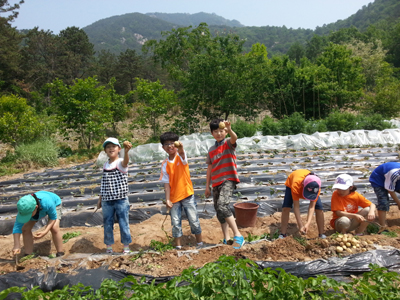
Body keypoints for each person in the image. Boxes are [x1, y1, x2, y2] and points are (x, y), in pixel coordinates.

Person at [159, 132, 203, 249]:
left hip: (187, 193)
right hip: (174, 197)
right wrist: (168, 199)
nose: (170, 146)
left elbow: (183, 154)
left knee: (193, 220)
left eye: (172, 143)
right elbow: (166, 184)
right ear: (163, 148)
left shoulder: (181, 156)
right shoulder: (165, 164)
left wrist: (181, 148)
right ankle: (178, 246)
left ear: (177, 145)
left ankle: (200, 243)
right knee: (175, 222)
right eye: (166, 144)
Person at [205, 119, 244, 249]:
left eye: (221, 131)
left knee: (222, 205)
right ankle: (227, 238)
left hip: (228, 179)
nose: (219, 133)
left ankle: (238, 235)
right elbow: (210, 168)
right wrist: (207, 186)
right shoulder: (211, 150)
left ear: (225, 132)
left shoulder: (228, 143)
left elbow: (235, 138)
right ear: (212, 133)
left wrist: (230, 128)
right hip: (216, 182)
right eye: (216, 131)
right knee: (219, 211)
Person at [97, 137, 132, 254]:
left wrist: (126, 152)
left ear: (119, 149)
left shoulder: (120, 162)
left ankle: (126, 246)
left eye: (113, 146)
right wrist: (100, 199)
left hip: (120, 199)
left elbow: (126, 162)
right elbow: (103, 183)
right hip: (107, 200)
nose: (111, 149)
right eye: (108, 147)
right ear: (105, 150)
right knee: (107, 223)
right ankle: (109, 247)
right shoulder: (105, 165)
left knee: (123, 223)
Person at [12, 191, 64, 257]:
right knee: (25, 229)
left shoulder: (47, 203)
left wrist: (45, 231)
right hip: (36, 210)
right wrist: (16, 245)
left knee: (54, 228)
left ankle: (60, 253)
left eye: (28, 215)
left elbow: (52, 218)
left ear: (36, 208)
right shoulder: (24, 207)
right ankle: (28, 255)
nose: (28, 217)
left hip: (55, 204)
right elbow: (17, 227)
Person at [279, 169, 326, 239]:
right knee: (286, 207)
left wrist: (307, 224)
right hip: (292, 182)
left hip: (307, 184)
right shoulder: (296, 185)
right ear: (303, 185)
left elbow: (312, 207)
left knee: (319, 208)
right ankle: (283, 234)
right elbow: (296, 207)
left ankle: (321, 234)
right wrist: (300, 225)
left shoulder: (316, 187)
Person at [369, 162, 400, 227]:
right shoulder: (394, 174)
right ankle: (382, 226)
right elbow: (390, 191)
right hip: (379, 180)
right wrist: (398, 203)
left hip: (395, 181)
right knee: (383, 201)